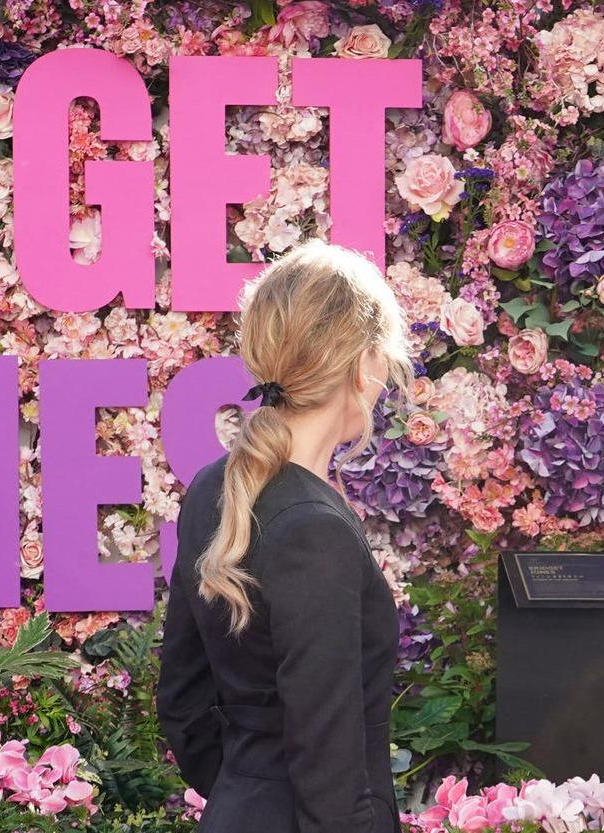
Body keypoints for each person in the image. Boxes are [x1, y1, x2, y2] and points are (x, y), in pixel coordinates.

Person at [157, 239, 418, 833]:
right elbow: (330, 776)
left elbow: (183, 704)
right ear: (363, 366)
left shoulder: (208, 488)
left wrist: (249, 792)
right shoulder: (314, 532)